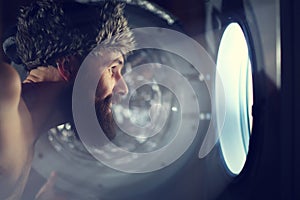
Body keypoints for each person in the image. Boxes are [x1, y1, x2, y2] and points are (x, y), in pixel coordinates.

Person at [0, 0, 135, 199]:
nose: (123, 88)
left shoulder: (27, 139)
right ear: (68, 67)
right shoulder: (5, 88)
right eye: (112, 69)